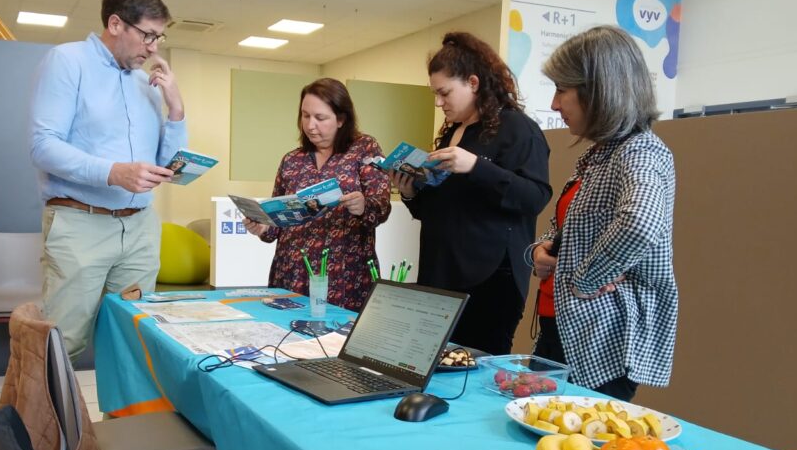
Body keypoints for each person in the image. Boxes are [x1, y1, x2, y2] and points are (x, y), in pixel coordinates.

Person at [30, 0, 185, 450]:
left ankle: (134, 447)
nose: (153, 47)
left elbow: (165, 164)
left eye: (160, 37)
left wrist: (176, 110)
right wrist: (112, 172)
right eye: (148, 35)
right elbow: (43, 146)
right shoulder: (67, 61)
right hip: (79, 222)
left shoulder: (146, 82)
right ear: (115, 24)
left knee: (133, 340)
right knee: (61, 341)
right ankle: (43, 448)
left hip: (139, 228)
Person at [528, 26, 677, 401]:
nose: (554, 104)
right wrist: (542, 251)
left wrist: (586, 278)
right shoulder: (600, 155)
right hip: (562, 327)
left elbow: (641, 222)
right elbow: (570, 226)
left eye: (562, 90)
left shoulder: (639, 153)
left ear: (599, 89)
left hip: (596, 342)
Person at [388, 32, 551, 355]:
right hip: (441, 273)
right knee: (437, 365)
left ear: (473, 83)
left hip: (490, 278)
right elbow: (444, 207)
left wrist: (476, 166)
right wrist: (410, 193)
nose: (439, 102)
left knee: (476, 370)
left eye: (444, 92)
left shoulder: (518, 129)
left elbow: (535, 197)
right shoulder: (452, 132)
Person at [245, 78, 390, 312]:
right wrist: (262, 227)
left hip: (345, 273)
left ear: (341, 119)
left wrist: (363, 205)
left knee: (338, 340)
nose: (310, 126)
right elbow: (277, 219)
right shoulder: (292, 159)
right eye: (305, 116)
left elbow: (381, 208)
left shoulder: (364, 148)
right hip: (292, 270)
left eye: (320, 118)